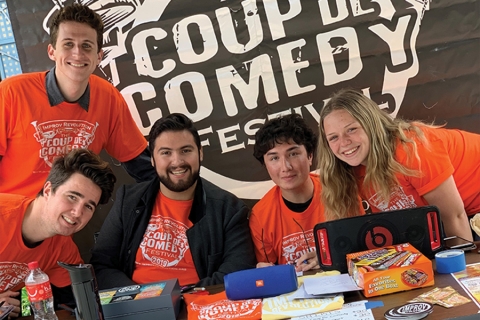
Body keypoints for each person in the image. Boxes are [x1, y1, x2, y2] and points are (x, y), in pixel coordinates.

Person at [0, 3, 153, 199]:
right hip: (8, 218)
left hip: (65, 222)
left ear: (99, 56)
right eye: (68, 44)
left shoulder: (108, 98)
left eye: (87, 46)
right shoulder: (11, 92)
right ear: (52, 51)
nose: (78, 53)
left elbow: (141, 164)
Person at [90, 113, 256, 289]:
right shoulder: (128, 200)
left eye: (186, 150)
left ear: (200, 153)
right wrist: (140, 297)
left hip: (196, 307)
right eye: (166, 153)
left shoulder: (229, 209)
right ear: (153, 160)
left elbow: (237, 272)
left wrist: (179, 300)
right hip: (135, 306)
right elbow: (102, 264)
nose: (177, 161)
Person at [318, 88, 480, 241]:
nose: (344, 142)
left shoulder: (410, 147)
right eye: (333, 137)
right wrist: (326, 254)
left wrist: (459, 269)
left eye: (351, 129)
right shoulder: (351, 169)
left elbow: (454, 218)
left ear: (371, 124)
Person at [0, 148, 116, 318]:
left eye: (88, 206)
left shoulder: (64, 250)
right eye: (72, 197)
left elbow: (79, 303)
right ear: (48, 190)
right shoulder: (3, 216)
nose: (77, 212)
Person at [249, 114, 324, 272]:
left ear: (310, 156)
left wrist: (328, 258)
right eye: (274, 158)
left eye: (293, 154)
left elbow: (361, 248)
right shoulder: (261, 217)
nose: (285, 167)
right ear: (266, 165)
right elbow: (268, 272)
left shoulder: (339, 190)